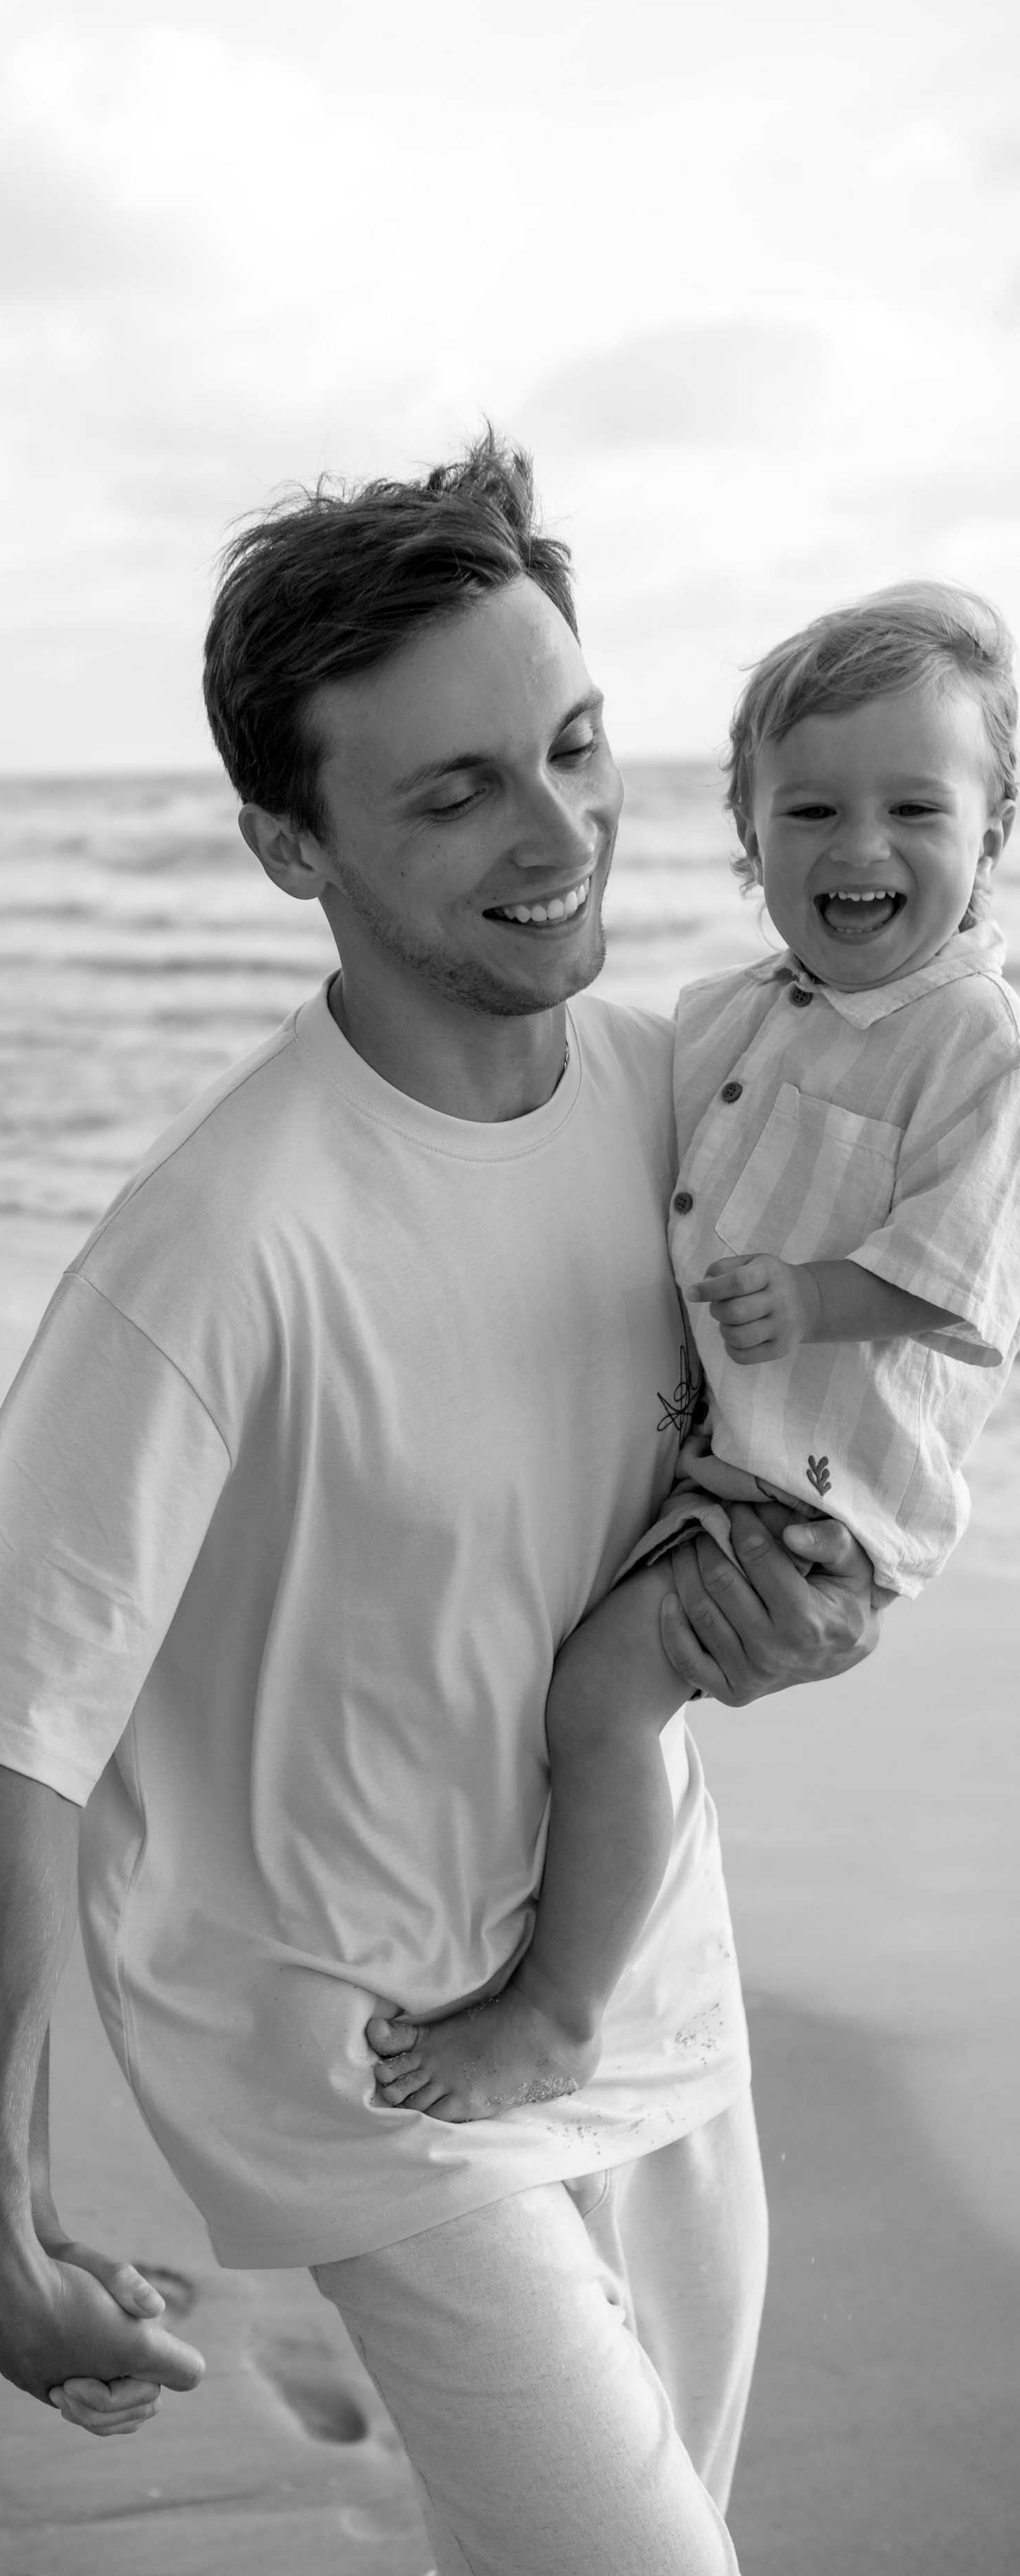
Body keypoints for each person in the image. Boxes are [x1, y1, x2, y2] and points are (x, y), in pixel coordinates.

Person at [0, 439, 883, 2576]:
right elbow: (7, 1739)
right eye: (453, 795)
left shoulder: (685, 1103)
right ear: (289, 842)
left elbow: (794, 1472)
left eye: (574, 744)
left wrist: (788, 1625)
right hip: (374, 2055)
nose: (558, 835)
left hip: (651, 1980)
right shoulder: (219, 1246)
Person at [375, 582, 1020, 2125]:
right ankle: (546, 1923)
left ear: (992, 833)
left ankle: (558, 2012)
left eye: (911, 809)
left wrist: (810, 1301)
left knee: (602, 1701)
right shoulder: (716, 1016)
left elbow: (960, 1286)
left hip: (815, 1494)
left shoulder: (975, 1041)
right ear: (747, 837)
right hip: (712, 1450)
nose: (856, 849)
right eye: (808, 809)